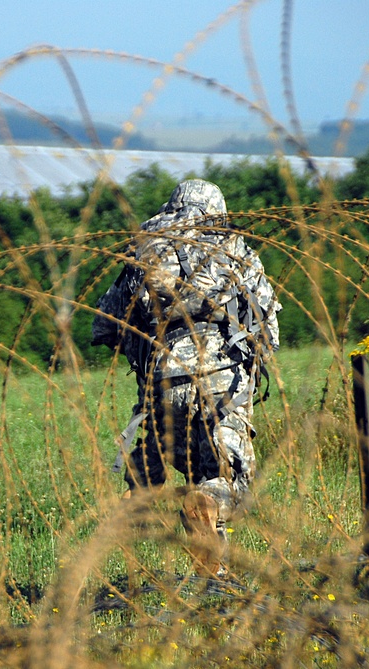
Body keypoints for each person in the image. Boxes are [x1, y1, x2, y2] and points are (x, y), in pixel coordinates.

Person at [92, 179, 280, 576]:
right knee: (228, 478)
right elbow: (269, 329)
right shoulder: (232, 247)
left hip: (161, 381)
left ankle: (212, 573)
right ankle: (207, 507)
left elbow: (103, 327)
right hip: (221, 379)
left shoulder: (145, 247)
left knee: (191, 466)